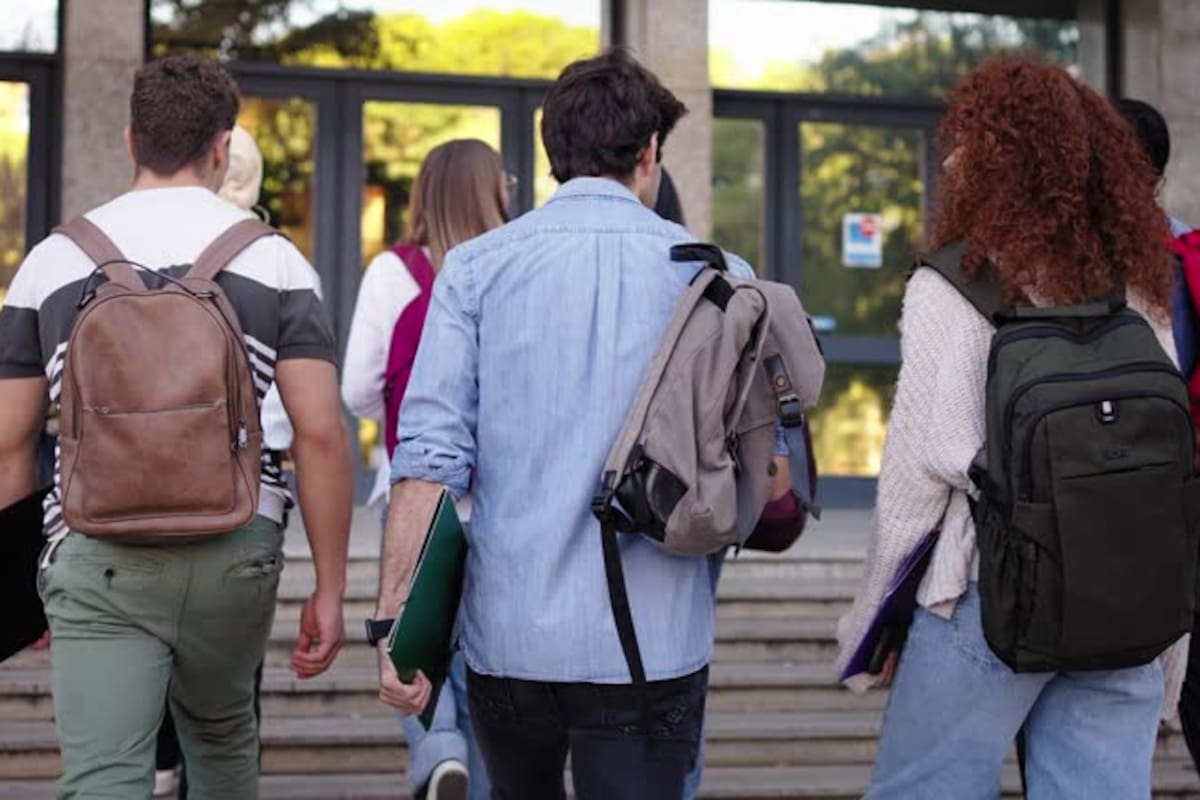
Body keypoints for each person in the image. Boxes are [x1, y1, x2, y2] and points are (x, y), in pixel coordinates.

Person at [370, 48, 758, 798]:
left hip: (509, 639)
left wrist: (394, 623)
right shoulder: (717, 276)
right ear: (649, 154)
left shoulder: (476, 269)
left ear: (553, 155)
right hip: (654, 642)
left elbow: (427, 462)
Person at [0, 55, 353, 798]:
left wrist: (13, 586)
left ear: (130, 141)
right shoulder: (277, 262)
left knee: (102, 775)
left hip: (95, 550)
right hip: (236, 544)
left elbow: (9, 443)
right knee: (222, 742)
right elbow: (320, 433)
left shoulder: (50, 261)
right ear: (221, 147)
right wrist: (328, 585)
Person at [836, 59, 1182, 798]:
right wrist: (1171, 650)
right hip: (1123, 600)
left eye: (966, 139)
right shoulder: (1133, 278)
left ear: (990, 159)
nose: (954, 157)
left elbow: (914, 481)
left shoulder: (955, 283)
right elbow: (1166, 455)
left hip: (986, 595)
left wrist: (869, 628)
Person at [342, 138, 509, 800]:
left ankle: (439, 751)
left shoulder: (394, 271)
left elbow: (357, 387)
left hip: (417, 493)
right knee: (486, 663)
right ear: (493, 191)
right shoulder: (512, 267)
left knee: (413, 637)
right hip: (500, 494)